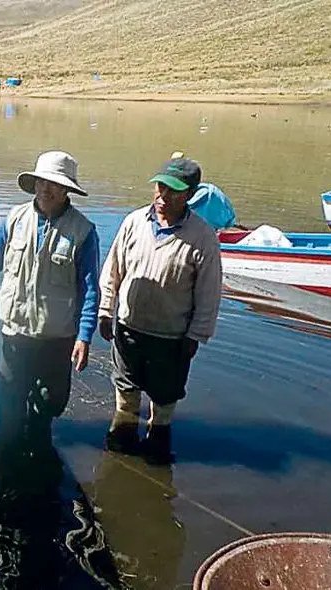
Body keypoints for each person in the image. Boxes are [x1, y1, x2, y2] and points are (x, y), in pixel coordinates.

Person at [0, 150, 101, 463]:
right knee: (8, 403)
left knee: (50, 403)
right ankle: (5, 461)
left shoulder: (83, 232)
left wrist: (84, 336)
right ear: (34, 183)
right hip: (16, 334)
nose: (46, 189)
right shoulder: (14, 220)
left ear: (67, 190)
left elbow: (91, 289)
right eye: (41, 182)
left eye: (54, 184)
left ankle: (39, 451)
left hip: (57, 337)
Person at [98, 156, 223, 465]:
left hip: (171, 337)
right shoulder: (134, 222)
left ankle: (156, 452)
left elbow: (209, 294)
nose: (163, 197)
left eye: (174, 192)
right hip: (128, 329)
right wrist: (105, 310)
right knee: (125, 397)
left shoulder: (203, 238)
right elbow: (113, 270)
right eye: (160, 187)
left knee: (164, 403)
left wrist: (195, 336)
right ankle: (120, 452)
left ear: (190, 195)